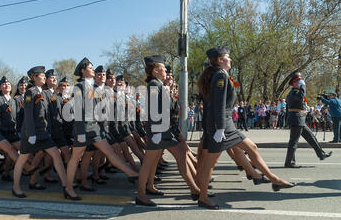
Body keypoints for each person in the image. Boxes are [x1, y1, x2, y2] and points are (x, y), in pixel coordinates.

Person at [197, 46, 296, 209]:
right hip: (222, 126)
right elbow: (218, 105)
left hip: (223, 125)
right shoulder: (220, 75)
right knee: (209, 163)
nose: (231, 59)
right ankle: (202, 197)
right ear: (221, 60)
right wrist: (219, 129)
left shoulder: (219, 74)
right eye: (228, 57)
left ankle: (273, 179)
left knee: (252, 147)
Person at [64, 58, 138, 200]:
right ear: (83, 71)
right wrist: (79, 133)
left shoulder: (92, 87)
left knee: (110, 153)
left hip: (95, 129)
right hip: (84, 129)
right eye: (90, 68)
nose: (93, 70)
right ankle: (68, 188)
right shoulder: (80, 87)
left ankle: (132, 173)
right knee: (75, 158)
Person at [135, 56, 201, 207]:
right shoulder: (153, 85)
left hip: (165, 131)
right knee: (148, 164)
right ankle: (141, 194)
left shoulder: (158, 85)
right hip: (159, 132)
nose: (166, 71)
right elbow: (154, 111)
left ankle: (195, 189)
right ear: (156, 70)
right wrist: (157, 132)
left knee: (182, 156)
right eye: (163, 68)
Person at [11, 66, 68, 198]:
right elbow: (29, 115)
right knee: (22, 159)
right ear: (34, 78)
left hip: (43, 132)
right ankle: (16, 187)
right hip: (31, 133)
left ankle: (66, 186)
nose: (44, 77)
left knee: (56, 154)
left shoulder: (42, 92)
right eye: (41, 75)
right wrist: (31, 134)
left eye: (44, 75)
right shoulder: (30, 92)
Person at [284, 71, 332, 168]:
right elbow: (300, 96)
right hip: (296, 120)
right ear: (293, 83)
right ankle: (289, 162)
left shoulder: (296, 92)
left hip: (300, 120)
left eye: (300, 80)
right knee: (293, 142)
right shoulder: (294, 93)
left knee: (312, 138)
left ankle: (321, 154)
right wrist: (303, 87)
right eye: (298, 81)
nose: (300, 82)